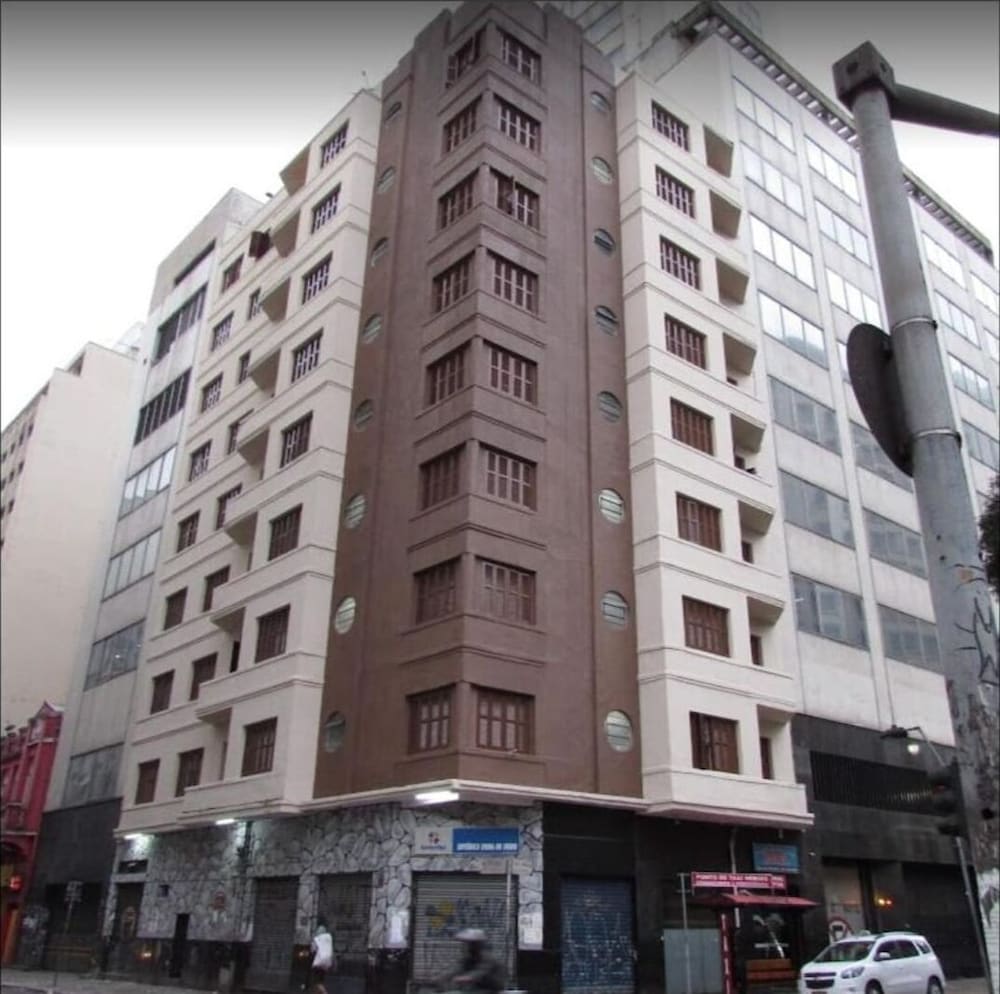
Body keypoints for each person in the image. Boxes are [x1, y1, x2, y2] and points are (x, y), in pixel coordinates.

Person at [441, 928, 504, 993]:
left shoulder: (488, 958)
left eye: (471, 944)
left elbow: (479, 973)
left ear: (478, 945)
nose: (467, 946)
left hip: (491, 989)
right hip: (475, 988)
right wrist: (441, 979)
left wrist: (464, 978)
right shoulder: (469, 958)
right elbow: (456, 970)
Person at [308, 918, 335, 994]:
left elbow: (313, 950)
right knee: (320, 980)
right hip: (327, 963)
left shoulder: (317, 938)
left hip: (319, 962)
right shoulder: (329, 937)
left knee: (316, 982)